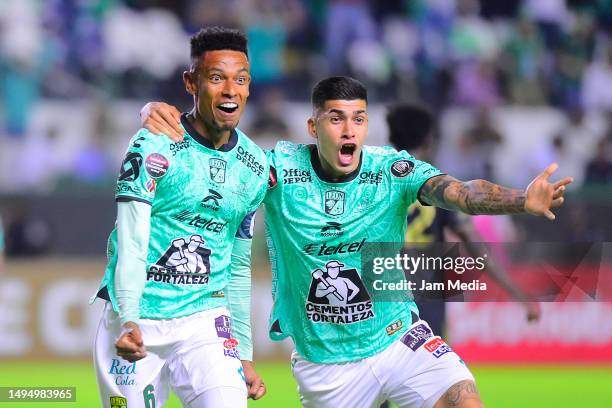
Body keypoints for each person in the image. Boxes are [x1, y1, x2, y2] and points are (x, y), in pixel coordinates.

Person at [141, 76, 572, 408]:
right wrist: (155, 115)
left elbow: (457, 191)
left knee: (464, 398)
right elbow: (217, 160)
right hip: (327, 367)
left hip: (400, 339)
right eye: (336, 118)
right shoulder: (277, 170)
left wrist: (521, 200)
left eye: (358, 118)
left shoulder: (391, 171)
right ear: (314, 125)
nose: (349, 130)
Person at [91, 27, 269, 408]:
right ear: (191, 82)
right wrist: (129, 318)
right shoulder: (154, 144)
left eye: (240, 79)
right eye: (216, 77)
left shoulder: (255, 165)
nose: (230, 90)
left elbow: (237, 266)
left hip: (204, 318)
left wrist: (245, 352)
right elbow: (132, 238)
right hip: (138, 316)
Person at [387, 103, 541, 338]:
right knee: (435, 372)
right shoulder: (437, 186)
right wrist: (517, 292)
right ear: (430, 140)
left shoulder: (375, 182)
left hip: (383, 297)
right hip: (427, 296)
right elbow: (476, 246)